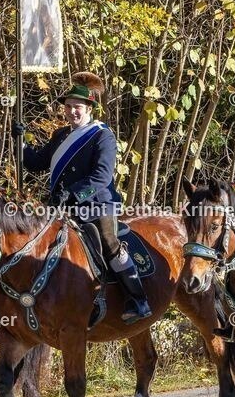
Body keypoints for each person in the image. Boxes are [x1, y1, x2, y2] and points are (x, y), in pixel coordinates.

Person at [12, 72, 152, 323]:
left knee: (108, 241)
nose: (71, 112)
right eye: (68, 107)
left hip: (96, 205)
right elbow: (35, 164)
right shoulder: (60, 136)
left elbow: (101, 176)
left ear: (89, 108)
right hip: (61, 207)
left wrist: (74, 192)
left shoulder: (103, 136)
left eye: (77, 107)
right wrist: (20, 143)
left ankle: (138, 298)